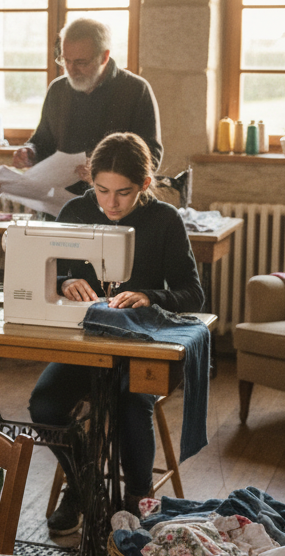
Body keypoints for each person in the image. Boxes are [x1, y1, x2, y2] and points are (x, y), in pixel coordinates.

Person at [29, 132, 203, 534]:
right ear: (90, 180)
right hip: (86, 344)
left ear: (144, 185)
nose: (110, 203)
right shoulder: (76, 211)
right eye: (101, 190)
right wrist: (64, 283)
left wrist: (148, 294)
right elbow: (52, 269)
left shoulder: (164, 220)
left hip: (141, 345)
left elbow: (193, 292)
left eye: (123, 193)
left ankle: (137, 499)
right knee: (45, 406)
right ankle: (83, 482)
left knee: (130, 402)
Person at [12, 18, 163, 196]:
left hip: (114, 203)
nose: (71, 69)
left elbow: (152, 155)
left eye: (81, 62)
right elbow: (43, 141)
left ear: (104, 57)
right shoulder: (58, 89)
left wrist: (104, 170)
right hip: (60, 202)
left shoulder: (135, 89)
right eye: (65, 60)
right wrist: (30, 152)